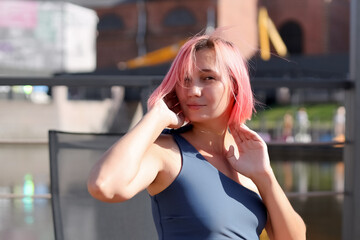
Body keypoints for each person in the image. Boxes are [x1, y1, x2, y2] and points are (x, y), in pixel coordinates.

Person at [87, 33, 306, 239]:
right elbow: (104, 185)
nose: (192, 90)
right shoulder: (166, 152)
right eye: (185, 80)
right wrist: (157, 117)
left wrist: (265, 177)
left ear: (235, 85)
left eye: (208, 78)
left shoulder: (247, 158)